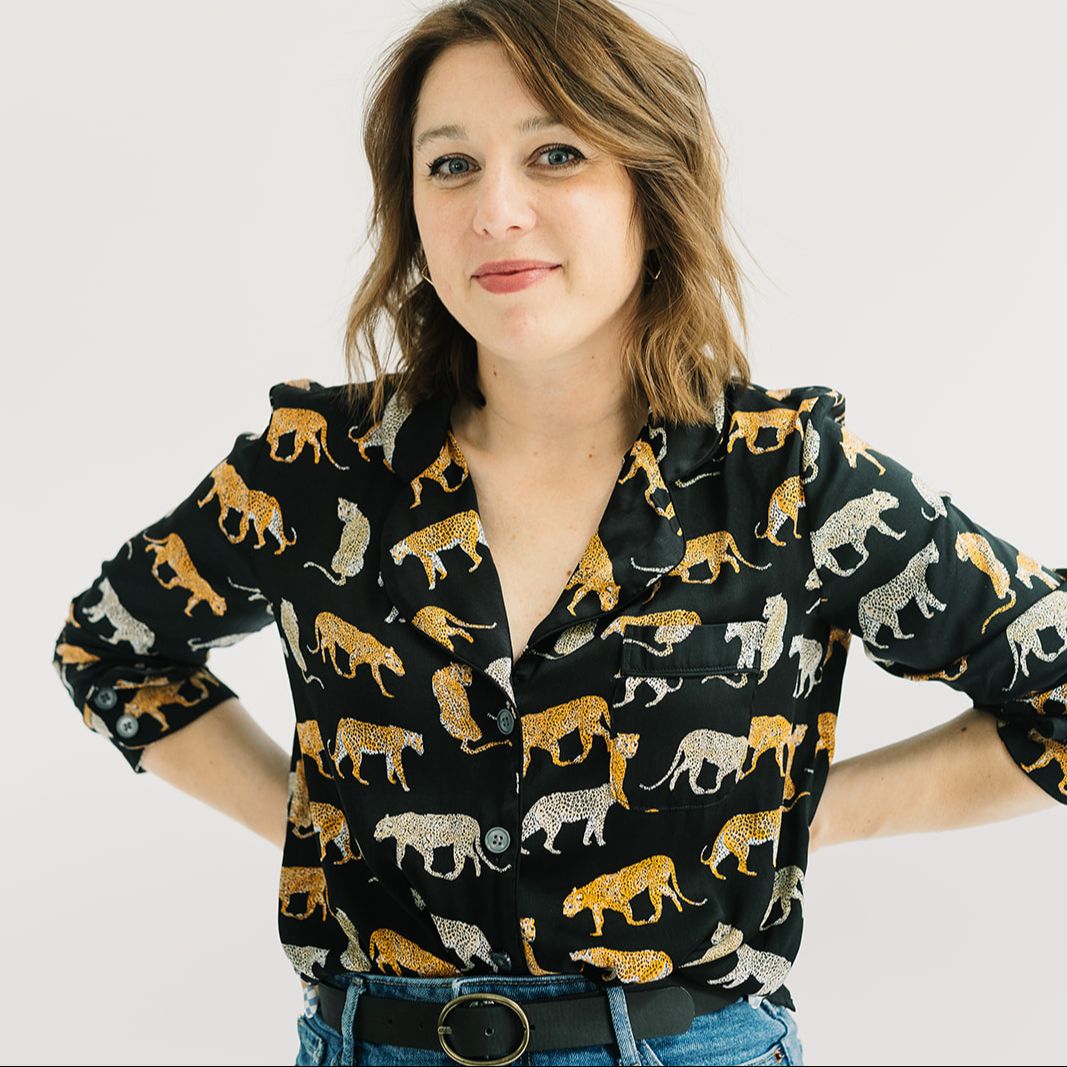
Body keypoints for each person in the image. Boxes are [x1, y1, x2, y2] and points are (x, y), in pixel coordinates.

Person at [50, 2, 1067, 1065]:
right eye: (450, 166)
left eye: (555, 153)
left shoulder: (787, 478)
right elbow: (112, 651)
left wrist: (796, 813)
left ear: (650, 183)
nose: (496, 210)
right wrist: (320, 824)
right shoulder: (316, 469)